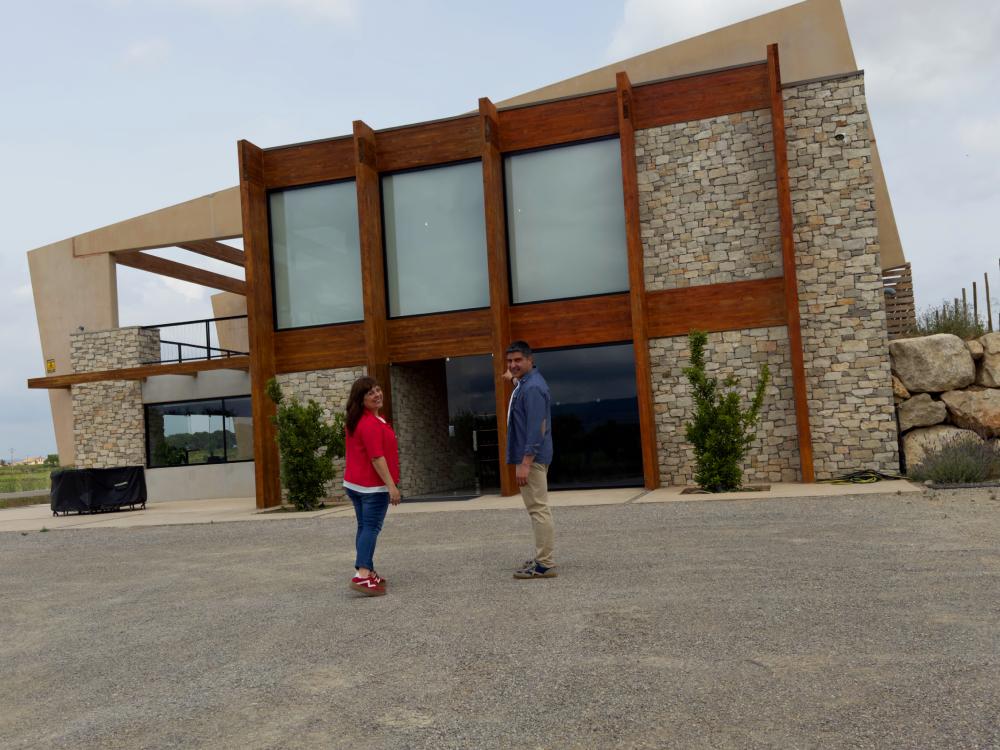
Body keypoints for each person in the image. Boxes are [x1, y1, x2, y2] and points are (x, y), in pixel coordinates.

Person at [343, 376, 401, 597]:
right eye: (370, 393)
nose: (377, 395)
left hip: (356, 485)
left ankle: (366, 570)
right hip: (371, 487)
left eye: (378, 390)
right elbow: (377, 457)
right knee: (370, 528)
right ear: (361, 399)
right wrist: (391, 487)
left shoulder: (362, 420)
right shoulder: (368, 424)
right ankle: (363, 576)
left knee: (363, 527)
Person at [505, 341, 557, 579]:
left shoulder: (533, 388)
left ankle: (544, 565)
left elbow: (538, 428)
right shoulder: (526, 383)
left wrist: (525, 463)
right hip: (530, 456)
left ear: (529, 359)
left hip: (532, 458)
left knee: (538, 509)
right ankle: (541, 557)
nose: (513, 365)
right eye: (510, 361)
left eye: (517, 360)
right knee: (536, 508)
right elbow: (517, 381)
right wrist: (512, 377)